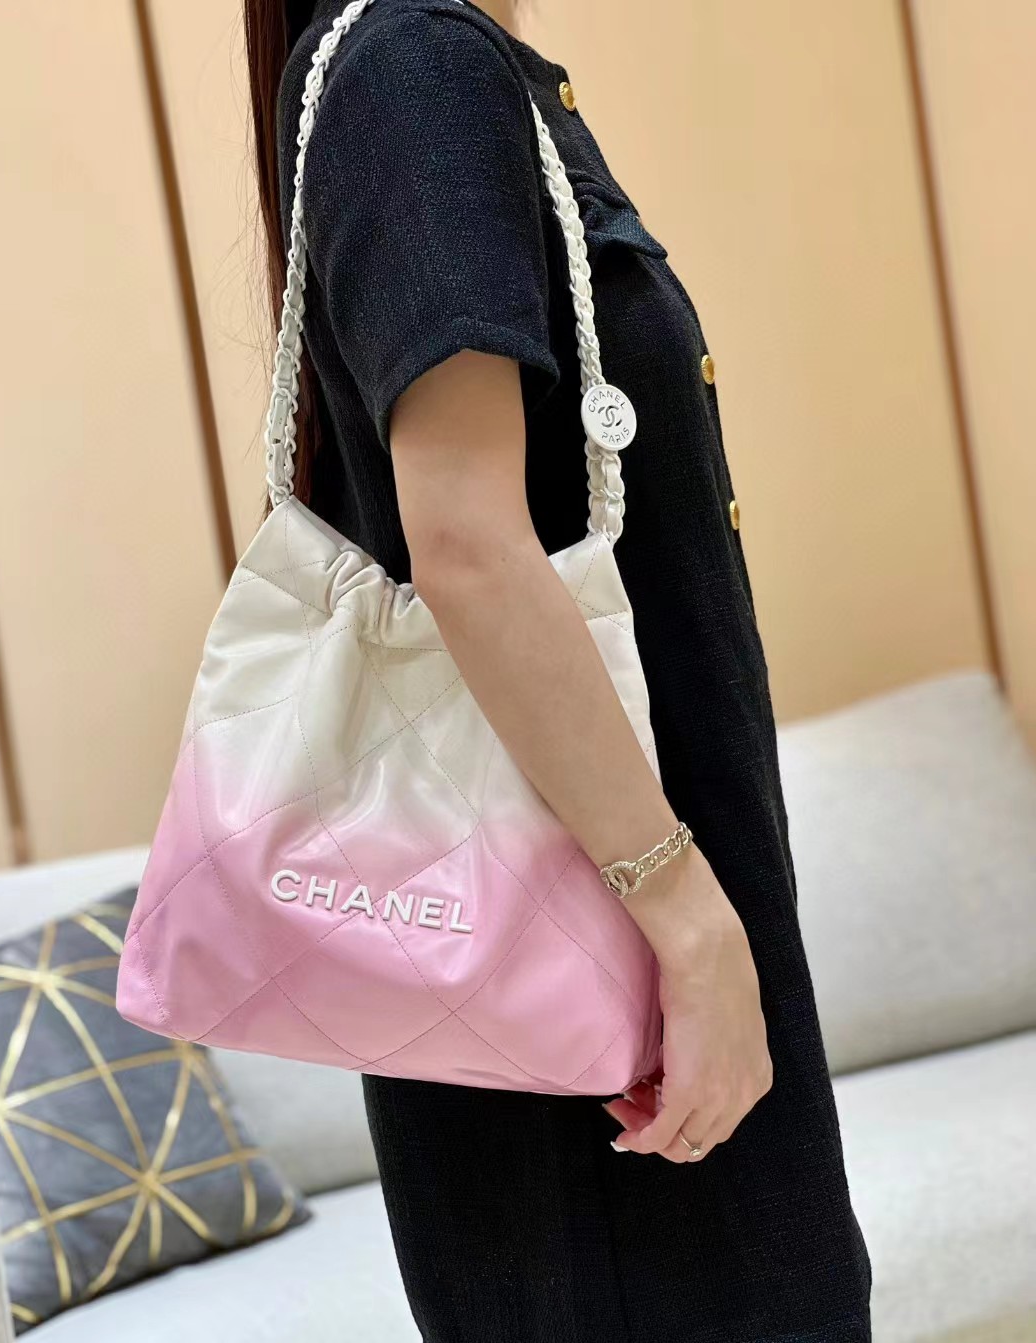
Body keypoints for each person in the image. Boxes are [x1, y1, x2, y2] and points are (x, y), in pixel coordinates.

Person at [243, 0, 873, 1337]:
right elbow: (467, 545)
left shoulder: (421, 65)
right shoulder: (413, 64)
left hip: (592, 990)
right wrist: (688, 919)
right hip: (601, 1006)